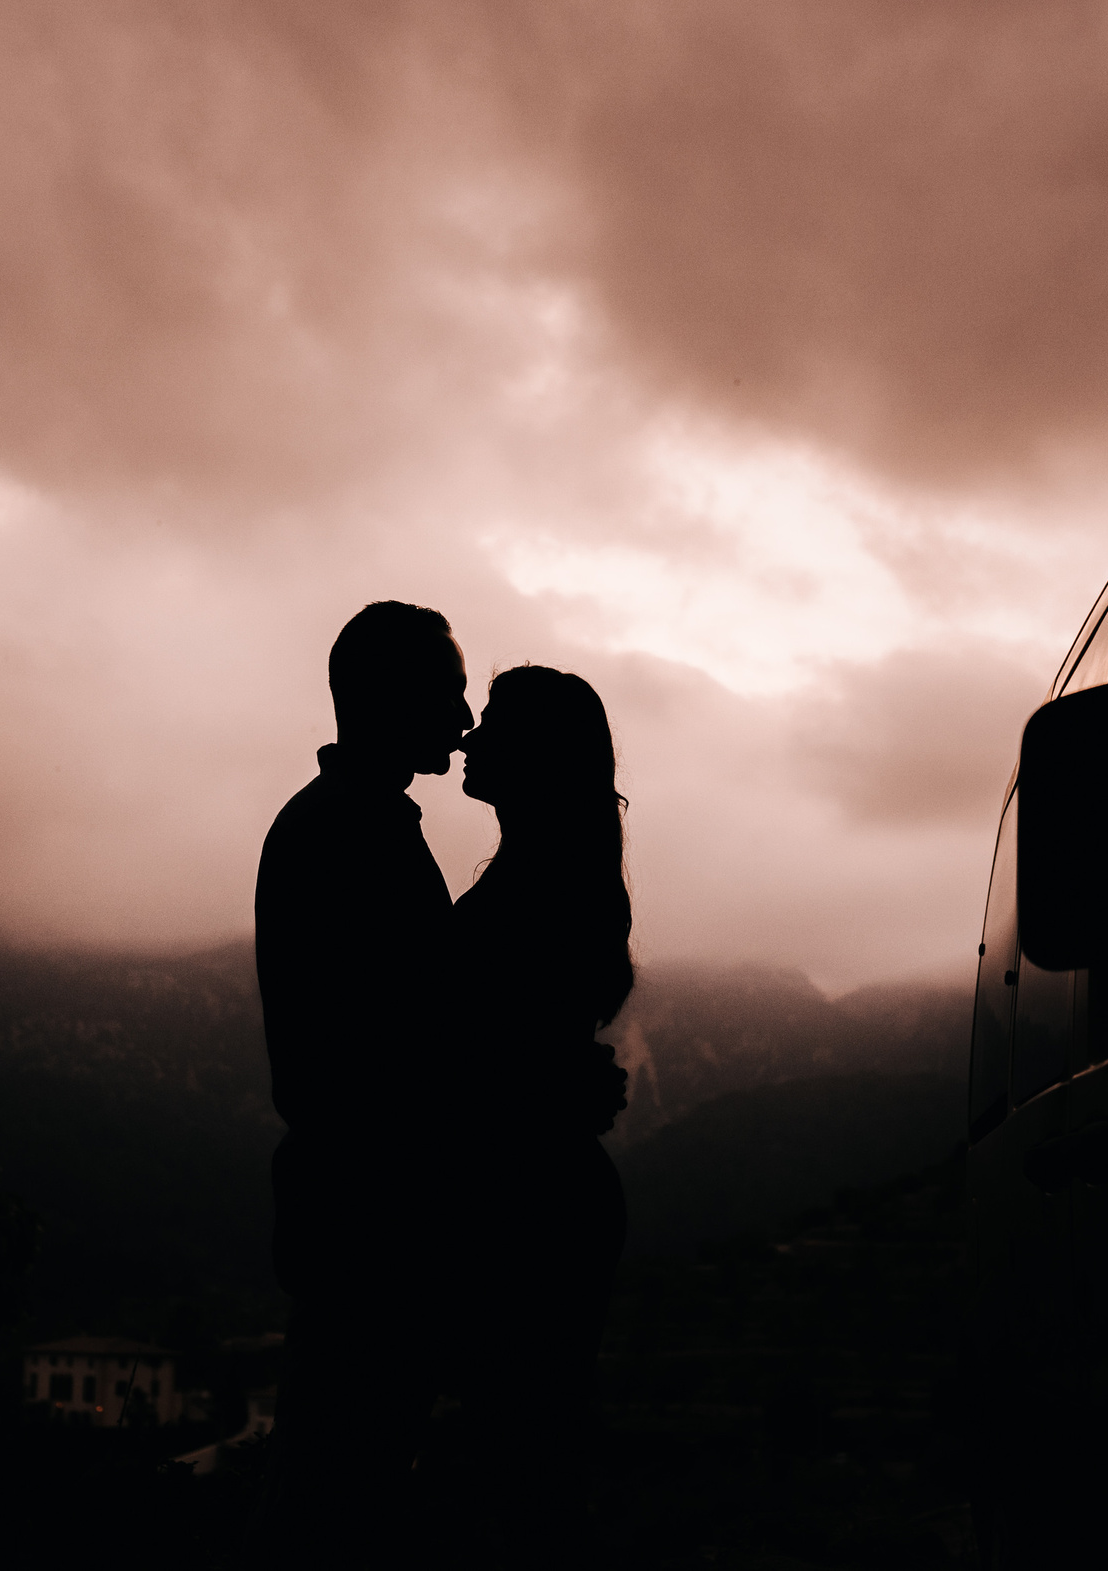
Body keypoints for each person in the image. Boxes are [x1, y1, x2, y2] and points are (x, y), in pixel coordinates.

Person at [248, 600, 472, 1567]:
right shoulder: (352, 834)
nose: (464, 722)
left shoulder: (344, 824)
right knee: (346, 1489)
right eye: (448, 694)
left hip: (352, 1208)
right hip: (369, 1215)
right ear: (387, 697)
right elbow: (404, 1040)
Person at [439, 664, 634, 1564]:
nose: (471, 740)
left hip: (526, 1203)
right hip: (546, 1190)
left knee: (521, 1462)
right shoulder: (555, 875)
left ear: (538, 755)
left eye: (492, 726)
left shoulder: (535, 889)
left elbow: (492, 1053)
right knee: (531, 1457)